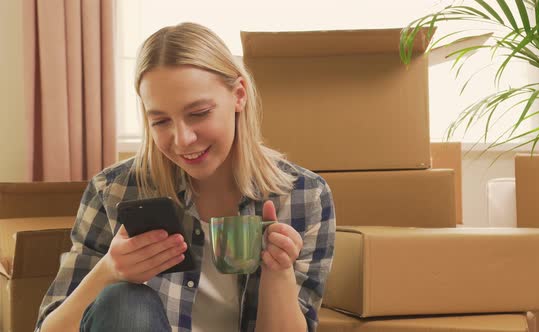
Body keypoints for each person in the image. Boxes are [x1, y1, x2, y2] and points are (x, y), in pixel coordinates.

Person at [36, 22, 336, 332]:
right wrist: (109, 271)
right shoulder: (114, 190)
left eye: (198, 113)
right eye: (161, 121)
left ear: (239, 95)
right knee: (124, 300)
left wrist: (280, 273)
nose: (182, 139)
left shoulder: (304, 196)